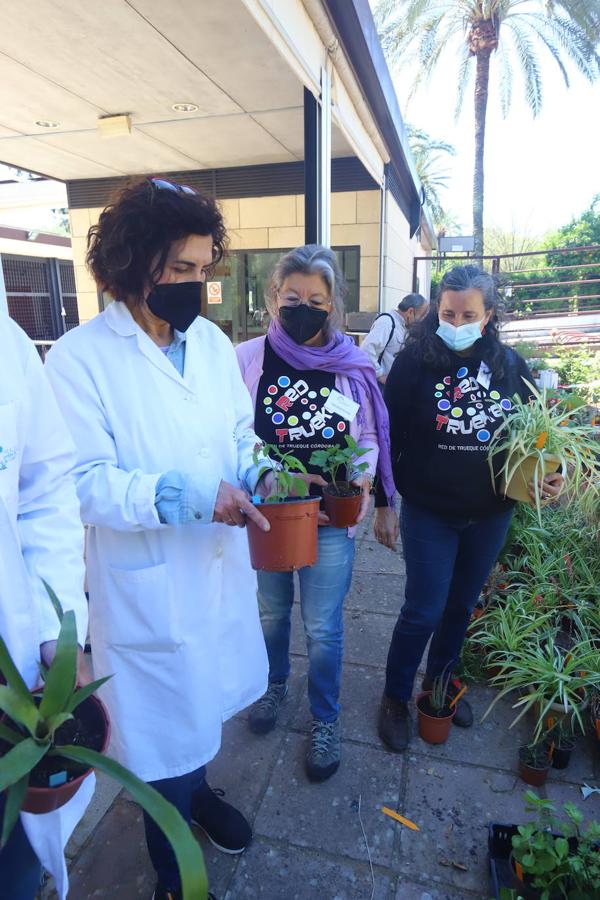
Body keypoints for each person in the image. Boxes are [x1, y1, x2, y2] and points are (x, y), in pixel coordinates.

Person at [45, 178, 276, 900]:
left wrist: (262, 470)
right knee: (160, 733)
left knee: (200, 707)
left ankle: (200, 796)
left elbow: (239, 431)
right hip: (146, 583)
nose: (195, 285)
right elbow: (82, 481)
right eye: (180, 270)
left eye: (204, 270)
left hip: (214, 568)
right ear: (133, 262)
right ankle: (174, 867)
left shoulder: (209, 344)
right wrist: (177, 495)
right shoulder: (80, 360)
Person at [373, 266, 564, 752]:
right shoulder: (415, 362)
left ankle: (440, 686)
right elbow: (383, 434)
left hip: (491, 512)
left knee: (460, 607)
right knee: (423, 609)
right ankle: (395, 697)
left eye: (468, 314)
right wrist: (383, 503)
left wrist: (548, 475)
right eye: (447, 312)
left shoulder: (511, 367)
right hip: (430, 512)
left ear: (489, 316)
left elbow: (538, 437)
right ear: (437, 311)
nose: (456, 320)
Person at [236, 245, 396, 782]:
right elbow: (231, 434)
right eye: (293, 298)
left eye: (317, 300)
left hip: (330, 516)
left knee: (324, 626)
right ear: (273, 300)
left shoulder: (352, 365)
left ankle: (325, 719)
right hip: (270, 515)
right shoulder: (247, 359)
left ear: (335, 307)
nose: (304, 307)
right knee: (271, 614)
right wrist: (267, 477)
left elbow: (368, 435)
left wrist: (364, 477)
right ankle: (273, 686)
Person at [0, 316, 90, 900]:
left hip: (11, 679)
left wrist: (60, 637)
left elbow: (44, 490)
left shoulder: (6, 344)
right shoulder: (77, 356)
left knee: (14, 859)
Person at [360, 292, 429, 385]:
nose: (420, 321)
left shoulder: (402, 325)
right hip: (381, 387)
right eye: (420, 317)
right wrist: (380, 375)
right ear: (410, 312)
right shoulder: (387, 322)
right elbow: (366, 350)